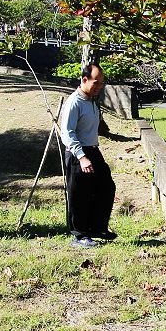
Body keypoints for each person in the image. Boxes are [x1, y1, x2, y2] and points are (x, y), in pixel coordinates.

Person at [60, 63, 117, 249]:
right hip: (78, 152)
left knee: (106, 187)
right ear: (84, 80)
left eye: (102, 83)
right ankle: (79, 235)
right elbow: (67, 133)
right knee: (79, 194)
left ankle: (97, 228)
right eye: (96, 83)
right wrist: (82, 157)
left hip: (93, 149)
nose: (99, 87)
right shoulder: (74, 102)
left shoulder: (92, 100)